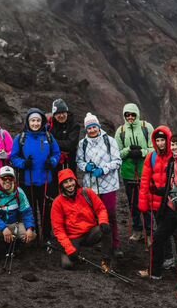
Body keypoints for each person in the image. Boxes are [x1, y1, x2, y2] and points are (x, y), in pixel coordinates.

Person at [138, 133, 177, 289]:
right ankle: (154, 271)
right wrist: (157, 190)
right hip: (171, 209)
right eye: (172, 144)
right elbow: (170, 187)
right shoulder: (172, 163)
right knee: (158, 238)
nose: (174, 147)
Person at [10, 108, 61, 243]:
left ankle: (46, 236)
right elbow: (13, 157)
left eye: (38, 120)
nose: (35, 123)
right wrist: (23, 163)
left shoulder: (48, 137)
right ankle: (33, 235)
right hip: (27, 182)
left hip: (46, 181)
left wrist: (52, 161)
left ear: (42, 121)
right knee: (30, 210)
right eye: (33, 120)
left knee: (46, 210)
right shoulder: (20, 138)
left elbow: (57, 153)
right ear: (28, 121)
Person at [76, 112, 123, 256]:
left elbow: (117, 161)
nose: (92, 130)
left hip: (109, 184)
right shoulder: (82, 144)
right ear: (86, 129)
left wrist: (103, 169)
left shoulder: (109, 141)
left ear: (98, 126)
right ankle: (101, 242)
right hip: (92, 186)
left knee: (110, 214)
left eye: (94, 127)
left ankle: (114, 245)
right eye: (89, 128)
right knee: (95, 216)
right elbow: (79, 161)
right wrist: (86, 167)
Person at [51, 169, 112, 272]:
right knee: (67, 265)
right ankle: (71, 252)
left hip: (90, 232)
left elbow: (101, 209)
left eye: (71, 180)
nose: (69, 184)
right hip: (73, 237)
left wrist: (103, 221)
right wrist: (69, 249)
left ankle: (106, 261)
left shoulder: (87, 193)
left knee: (106, 229)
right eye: (65, 182)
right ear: (61, 185)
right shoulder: (58, 203)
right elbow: (58, 230)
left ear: (75, 180)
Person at [0, 166, 36, 264]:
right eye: (4, 178)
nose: (7, 181)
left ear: (14, 179)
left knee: (31, 235)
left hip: (13, 224)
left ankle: (16, 247)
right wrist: (4, 228)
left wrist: (30, 228)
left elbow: (27, 212)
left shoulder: (19, 192)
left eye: (10, 178)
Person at [138, 125, 177, 267]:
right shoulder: (151, 157)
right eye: (158, 140)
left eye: (163, 140)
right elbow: (145, 180)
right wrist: (143, 203)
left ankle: (175, 258)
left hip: (172, 202)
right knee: (162, 230)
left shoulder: (174, 156)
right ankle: (168, 258)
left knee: (175, 232)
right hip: (156, 203)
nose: (160, 143)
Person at [115, 103, 154, 242]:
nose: (130, 117)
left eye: (132, 114)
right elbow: (117, 153)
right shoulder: (120, 131)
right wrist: (128, 151)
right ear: (124, 116)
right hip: (128, 172)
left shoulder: (146, 127)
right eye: (127, 115)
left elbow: (154, 149)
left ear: (137, 114)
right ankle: (137, 230)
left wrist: (142, 152)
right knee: (133, 203)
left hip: (145, 172)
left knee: (147, 202)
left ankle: (150, 232)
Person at [47, 98, 81, 201]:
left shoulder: (74, 125)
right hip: (54, 164)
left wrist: (53, 142)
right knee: (53, 191)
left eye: (63, 112)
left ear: (67, 112)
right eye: (58, 113)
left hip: (69, 163)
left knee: (70, 189)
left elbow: (70, 145)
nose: (61, 116)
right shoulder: (49, 126)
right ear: (54, 115)